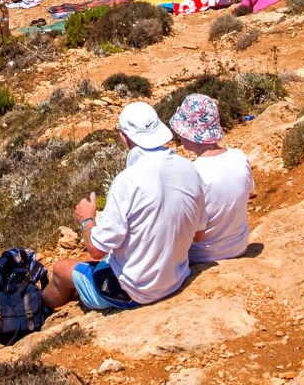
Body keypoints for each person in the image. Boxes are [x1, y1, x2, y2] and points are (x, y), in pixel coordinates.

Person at [41, 102, 206, 312]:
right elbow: (199, 235)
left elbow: (96, 250)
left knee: (61, 268)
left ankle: (39, 311)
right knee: (90, 266)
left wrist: (86, 219)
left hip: (134, 291)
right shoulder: (188, 168)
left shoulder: (127, 181)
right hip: (176, 277)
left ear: (123, 137)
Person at [167, 94, 253, 263]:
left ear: (190, 133)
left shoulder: (193, 171)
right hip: (239, 246)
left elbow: (187, 227)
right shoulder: (239, 157)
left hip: (202, 255)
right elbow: (247, 193)